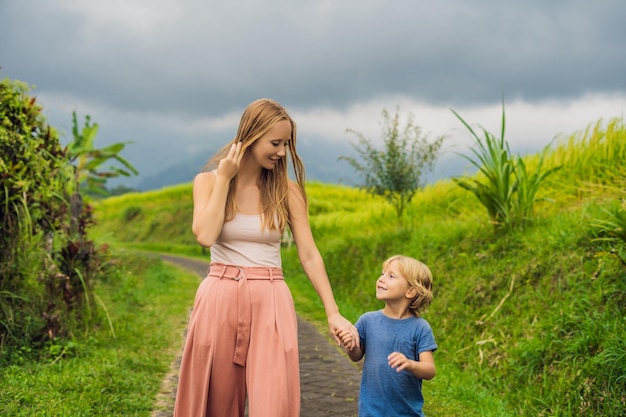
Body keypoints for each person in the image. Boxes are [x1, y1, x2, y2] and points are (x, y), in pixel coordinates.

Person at [173, 98, 359, 417]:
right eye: (275, 143)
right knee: (215, 405)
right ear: (251, 136)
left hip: (271, 300)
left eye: (286, 144)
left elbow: (310, 253)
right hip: (219, 296)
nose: (283, 152)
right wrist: (224, 178)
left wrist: (333, 312)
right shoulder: (207, 182)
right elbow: (204, 235)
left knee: (273, 403)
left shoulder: (287, 191)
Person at [336, 254, 437, 417]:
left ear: (410, 291)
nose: (381, 279)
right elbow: (356, 356)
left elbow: (429, 370)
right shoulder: (367, 320)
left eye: (391, 276)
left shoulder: (420, 328)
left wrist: (410, 364)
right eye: (382, 274)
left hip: (406, 412)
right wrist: (350, 345)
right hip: (371, 410)